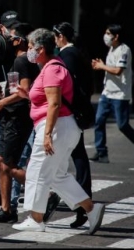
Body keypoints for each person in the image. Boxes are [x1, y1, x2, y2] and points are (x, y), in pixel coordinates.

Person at [11, 28, 105, 234]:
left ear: (41, 49)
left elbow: (54, 104)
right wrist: (27, 95)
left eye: (30, 47)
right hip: (61, 127)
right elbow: (47, 101)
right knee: (57, 175)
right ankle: (91, 209)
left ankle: (36, 219)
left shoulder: (52, 69)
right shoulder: (50, 67)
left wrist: (46, 135)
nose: (28, 51)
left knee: (38, 171)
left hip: (55, 127)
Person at [0, 23, 38, 223]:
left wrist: (2, 102)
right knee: (3, 163)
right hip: (13, 117)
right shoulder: (18, 61)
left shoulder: (22, 61)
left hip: (17, 118)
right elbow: (15, 88)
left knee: (6, 164)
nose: (6, 39)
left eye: (10, 36)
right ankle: (6, 210)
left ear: (18, 40)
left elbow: (24, 92)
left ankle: (48, 193)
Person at [53, 22, 95, 228]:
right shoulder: (77, 54)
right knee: (76, 157)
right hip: (76, 112)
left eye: (55, 36)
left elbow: (64, 86)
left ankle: (82, 204)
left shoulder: (68, 55)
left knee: (62, 160)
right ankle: (82, 204)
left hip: (69, 113)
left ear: (60, 36)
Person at [89, 24, 133, 164]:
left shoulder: (124, 50)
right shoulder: (112, 49)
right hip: (107, 92)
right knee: (99, 120)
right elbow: (110, 69)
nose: (106, 36)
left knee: (122, 125)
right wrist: (101, 65)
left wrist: (102, 66)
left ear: (116, 36)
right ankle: (101, 152)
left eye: (108, 33)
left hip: (120, 94)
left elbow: (118, 71)